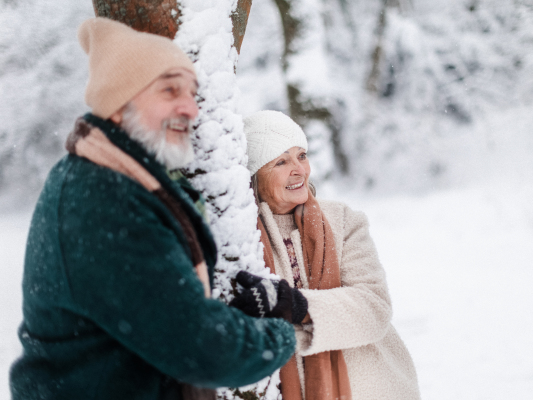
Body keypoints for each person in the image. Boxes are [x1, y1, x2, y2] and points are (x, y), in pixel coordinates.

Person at [9, 18, 297, 400]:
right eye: (170, 90)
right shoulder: (105, 200)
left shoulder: (112, 177)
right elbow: (198, 345)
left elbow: (158, 313)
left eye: (192, 93)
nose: (191, 109)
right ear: (118, 103)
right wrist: (280, 330)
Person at [239, 110, 421, 400]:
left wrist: (296, 306)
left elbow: (373, 308)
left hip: (372, 389)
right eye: (281, 161)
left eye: (302, 155)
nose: (299, 169)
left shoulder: (343, 220)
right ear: (254, 174)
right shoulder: (239, 238)